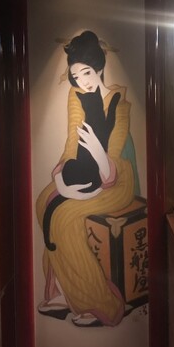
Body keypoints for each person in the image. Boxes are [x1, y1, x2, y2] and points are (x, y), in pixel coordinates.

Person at [35, 30, 137, 327]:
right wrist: (62, 180)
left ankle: (98, 303)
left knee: (65, 216)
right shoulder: (76, 95)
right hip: (81, 170)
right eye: (76, 75)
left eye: (87, 73)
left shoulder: (120, 102)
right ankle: (64, 290)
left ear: (100, 68)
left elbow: (113, 156)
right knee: (43, 201)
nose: (83, 81)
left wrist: (96, 150)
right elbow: (72, 141)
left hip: (115, 177)